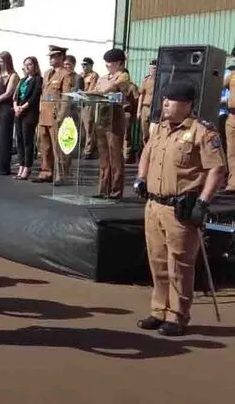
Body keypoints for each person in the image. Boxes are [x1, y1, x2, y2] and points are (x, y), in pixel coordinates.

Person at [133, 81, 224, 336]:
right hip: (154, 205)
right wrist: (140, 178)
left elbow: (216, 169)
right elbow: (146, 155)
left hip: (180, 209)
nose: (164, 104)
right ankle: (158, 311)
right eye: (164, 100)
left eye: (170, 101)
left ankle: (178, 316)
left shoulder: (202, 132)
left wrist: (203, 203)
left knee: (180, 265)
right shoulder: (160, 129)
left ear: (186, 105)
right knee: (158, 261)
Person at [90, 49, 129, 199]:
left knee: (115, 156)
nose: (107, 65)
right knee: (104, 157)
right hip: (101, 118)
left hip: (114, 119)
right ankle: (103, 189)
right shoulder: (103, 78)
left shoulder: (123, 76)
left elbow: (113, 89)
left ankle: (115, 190)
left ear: (119, 63)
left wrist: (97, 94)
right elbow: (96, 90)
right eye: (106, 62)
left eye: (110, 62)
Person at [34, 45, 75, 184]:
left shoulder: (66, 74)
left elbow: (66, 97)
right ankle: (46, 171)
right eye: (50, 56)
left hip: (56, 114)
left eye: (54, 56)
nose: (51, 59)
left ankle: (61, 174)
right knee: (44, 146)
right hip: (44, 113)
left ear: (61, 57)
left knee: (58, 147)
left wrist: (62, 116)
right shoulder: (47, 74)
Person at [14, 57, 42, 181]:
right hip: (19, 112)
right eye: (25, 65)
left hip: (29, 113)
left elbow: (35, 97)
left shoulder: (38, 80)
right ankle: (21, 165)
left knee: (27, 141)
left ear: (35, 65)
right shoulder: (22, 80)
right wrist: (16, 107)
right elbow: (16, 96)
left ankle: (27, 167)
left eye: (30, 64)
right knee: (19, 140)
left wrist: (23, 107)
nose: (27, 67)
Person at [80, 57, 99, 158]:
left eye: (85, 65)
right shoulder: (81, 75)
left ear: (91, 65)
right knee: (81, 128)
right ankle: (82, 147)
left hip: (88, 103)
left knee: (89, 127)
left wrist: (82, 93)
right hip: (79, 103)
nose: (83, 67)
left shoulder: (93, 76)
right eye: (82, 65)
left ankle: (89, 150)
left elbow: (92, 89)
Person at [137, 60, 157, 145]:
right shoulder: (146, 80)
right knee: (144, 133)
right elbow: (141, 95)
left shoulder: (160, 80)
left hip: (155, 108)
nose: (152, 70)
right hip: (145, 108)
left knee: (153, 133)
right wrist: (138, 111)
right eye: (151, 68)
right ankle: (145, 151)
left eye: (154, 68)